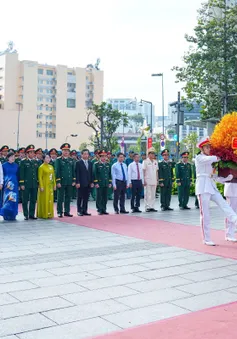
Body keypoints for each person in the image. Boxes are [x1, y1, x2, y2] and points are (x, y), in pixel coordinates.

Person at [195, 137, 237, 246]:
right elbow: (212, 159)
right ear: (202, 148)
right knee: (205, 214)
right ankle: (206, 238)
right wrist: (220, 156)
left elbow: (214, 177)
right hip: (202, 187)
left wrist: (226, 179)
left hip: (211, 186)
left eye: (210, 147)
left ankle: (235, 220)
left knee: (224, 205)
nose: (209, 149)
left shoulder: (211, 160)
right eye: (207, 147)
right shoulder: (199, 158)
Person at [55, 143, 75, 218]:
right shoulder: (59, 160)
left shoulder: (71, 160)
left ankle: (67, 211)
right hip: (62, 181)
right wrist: (58, 181)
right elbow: (57, 171)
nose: (66, 152)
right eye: (64, 150)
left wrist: (73, 180)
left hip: (69, 181)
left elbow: (73, 171)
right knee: (60, 197)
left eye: (67, 150)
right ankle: (59, 211)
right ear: (62, 151)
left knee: (68, 197)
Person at [20, 145, 39, 220]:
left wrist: (37, 182)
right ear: (27, 153)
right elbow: (21, 173)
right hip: (26, 184)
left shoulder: (35, 162)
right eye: (31, 152)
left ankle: (31, 214)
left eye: (33, 152)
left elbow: (36, 173)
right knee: (25, 199)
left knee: (33, 199)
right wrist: (22, 183)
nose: (33, 154)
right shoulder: (23, 162)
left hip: (34, 184)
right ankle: (25, 214)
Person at [0, 152, 19, 221]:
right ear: (8, 158)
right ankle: (6, 214)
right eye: (11, 157)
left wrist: (19, 184)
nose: (13, 158)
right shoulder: (4, 165)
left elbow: (18, 175)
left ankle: (13, 214)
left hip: (15, 184)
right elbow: (2, 175)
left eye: (14, 157)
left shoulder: (16, 165)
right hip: (7, 185)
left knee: (14, 199)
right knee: (7, 199)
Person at [37, 154, 56, 219]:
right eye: (47, 158)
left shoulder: (51, 166)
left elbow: (53, 176)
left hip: (50, 185)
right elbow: (40, 177)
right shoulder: (41, 167)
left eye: (49, 158)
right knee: (44, 199)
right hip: (44, 185)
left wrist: (54, 185)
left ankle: (49, 213)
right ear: (43, 159)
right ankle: (43, 213)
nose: (48, 159)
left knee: (50, 199)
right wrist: (41, 186)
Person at [75, 148, 93, 216]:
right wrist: (77, 182)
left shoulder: (90, 163)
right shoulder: (78, 163)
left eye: (87, 154)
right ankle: (79, 211)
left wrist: (91, 182)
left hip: (88, 183)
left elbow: (91, 173)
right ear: (81, 155)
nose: (86, 155)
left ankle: (85, 210)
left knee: (86, 198)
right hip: (81, 183)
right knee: (80, 197)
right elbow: (77, 173)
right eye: (84, 154)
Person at [94, 150, 112, 215]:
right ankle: (99, 209)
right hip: (99, 183)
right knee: (99, 197)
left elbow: (109, 174)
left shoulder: (108, 164)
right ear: (99, 157)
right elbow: (95, 174)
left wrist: (110, 182)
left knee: (105, 197)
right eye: (102, 156)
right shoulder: (96, 164)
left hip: (106, 183)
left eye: (105, 156)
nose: (104, 158)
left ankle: (104, 209)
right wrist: (96, 183)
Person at [142, 147, 159, 212]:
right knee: (147, 194)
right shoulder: (145, 161)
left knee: (153, 194)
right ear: (148, 154)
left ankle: (152, 206)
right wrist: (144, 180)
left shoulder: (155, 161)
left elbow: (156, 171)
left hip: (154, 180)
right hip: (147, 180)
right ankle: (147, 207)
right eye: (151, 153)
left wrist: (157, 180)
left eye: (153, 154)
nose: (152, 155)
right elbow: (143, 171)